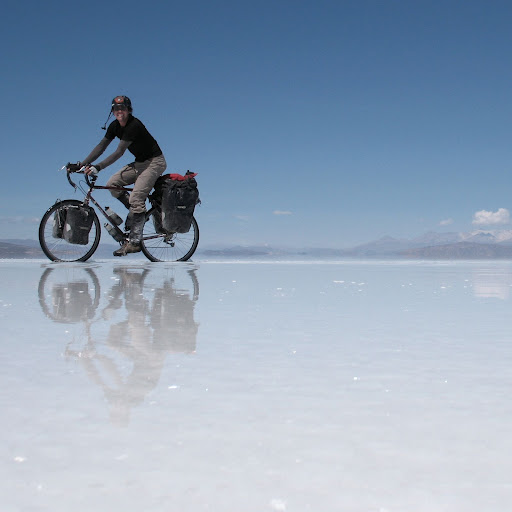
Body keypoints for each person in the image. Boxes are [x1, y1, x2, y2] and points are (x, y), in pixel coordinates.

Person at [80, 95, 167, 256]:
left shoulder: (134, 125)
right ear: (112, 111)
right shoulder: (114, 126)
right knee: (113, 184)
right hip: (140, 163)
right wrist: (83, 163)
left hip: (155, 162)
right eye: (116, 109)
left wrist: (98, 166)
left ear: (129, 110)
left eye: (123, 108)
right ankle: (137, 215)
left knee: (136, 198)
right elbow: (101, 146)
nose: (119, 111)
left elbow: (119, 152)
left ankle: (135, 243)